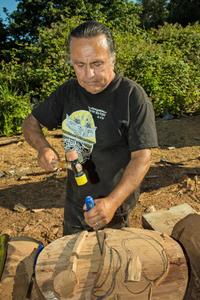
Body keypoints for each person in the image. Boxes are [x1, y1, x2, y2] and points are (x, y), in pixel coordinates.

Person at [22, 20, 158, 236]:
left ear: (112, 59)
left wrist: (112, 203)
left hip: (114, 206)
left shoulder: (132, 96)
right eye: (79, 65)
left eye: (96, 64)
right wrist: (42, 147)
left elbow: (142, 157)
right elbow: (30, 123)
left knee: (110, 263)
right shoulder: (68, 91)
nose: (88, 76)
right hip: (75, 202)